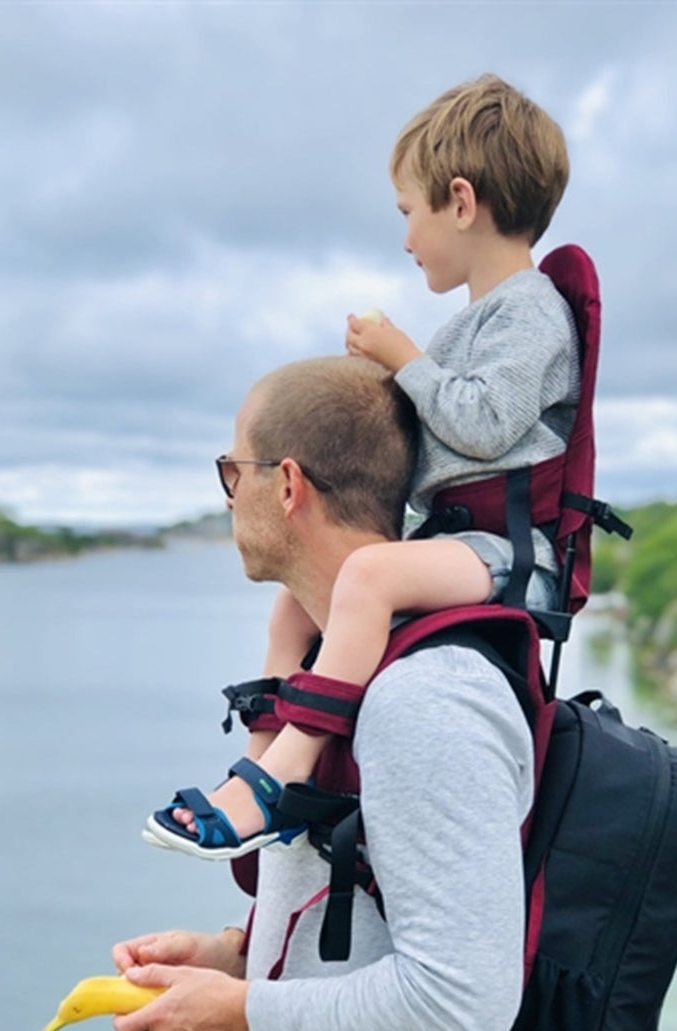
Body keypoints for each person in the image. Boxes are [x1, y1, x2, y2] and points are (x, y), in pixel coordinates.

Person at [114, 354, 536, 1031]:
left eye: (232, 471)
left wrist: (244, 1015)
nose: (227, 496)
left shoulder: (424, 696)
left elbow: (465, 1000)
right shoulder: (336, 672)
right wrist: (237, 957)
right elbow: (387, 917)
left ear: (288, 485)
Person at [143, 74, 579, 858]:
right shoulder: (480, 320)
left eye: (408, 212)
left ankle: (288, 773)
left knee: (367, 578)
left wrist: (404, 357)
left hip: (510, 558)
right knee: (294, 607)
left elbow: (484, 426)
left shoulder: (532, 311)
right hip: (458, 545)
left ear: (460, 201)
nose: (406, 238)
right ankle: (259, 760)